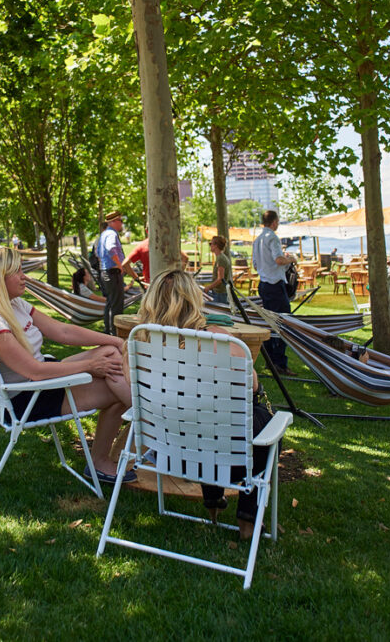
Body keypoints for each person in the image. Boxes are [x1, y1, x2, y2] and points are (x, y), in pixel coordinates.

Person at [0, 247, 133, 483]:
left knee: (110, 353)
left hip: (43, 379)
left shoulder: (13, 304)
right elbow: (34, 372)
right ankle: (151, 427)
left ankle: (150, 421)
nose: (24, 276)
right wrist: (90, 365)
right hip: (27, 398)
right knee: (115, 388)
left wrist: (116, 340)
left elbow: (62, 330)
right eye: (16, 271)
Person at [134, 269, 272, 540]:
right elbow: (252, 384)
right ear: (192, 300)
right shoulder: (216, 339)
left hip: (169, 453)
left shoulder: (140, 344)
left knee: (203, 416)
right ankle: (248, 519)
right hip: (226, 458)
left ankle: (213, 501)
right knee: (263, 422)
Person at [252, 210, 295, 373]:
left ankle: (270, 359)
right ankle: (280, 362)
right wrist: (291, 259)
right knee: (284, 322)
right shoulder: (272, 238)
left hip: (263, 284)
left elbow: (255, 265)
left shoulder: (257, 240)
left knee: (268, 322)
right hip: (275, 284)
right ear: (275, 222)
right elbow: (279, 259)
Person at [121, 227, 187, 286]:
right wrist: (176, 276)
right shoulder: (168, 244)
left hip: (150, 285)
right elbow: (185, 258)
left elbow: (125, 264)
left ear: (147, 230)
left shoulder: (142, 246)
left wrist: (136, 278)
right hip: (169, 284)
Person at [95, 210, 126, 335]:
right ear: (113, 222)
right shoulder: (112, 235)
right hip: (112, 272)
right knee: (116, 305)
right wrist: (120, 266)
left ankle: (108, 331)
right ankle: (115, 333)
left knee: (110, 303)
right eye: (120, 221)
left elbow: (97, 253)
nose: (122, 224)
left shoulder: (104, 234)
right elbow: (111, 249)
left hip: (105, 271)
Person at [202, 235, 232, 304]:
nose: (210, 246)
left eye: (211, 244)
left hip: (220, 294)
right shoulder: (221, 257)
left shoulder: (220, 259)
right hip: (220, 292)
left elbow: (220, 279)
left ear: (216, 245)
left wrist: (208, 287)